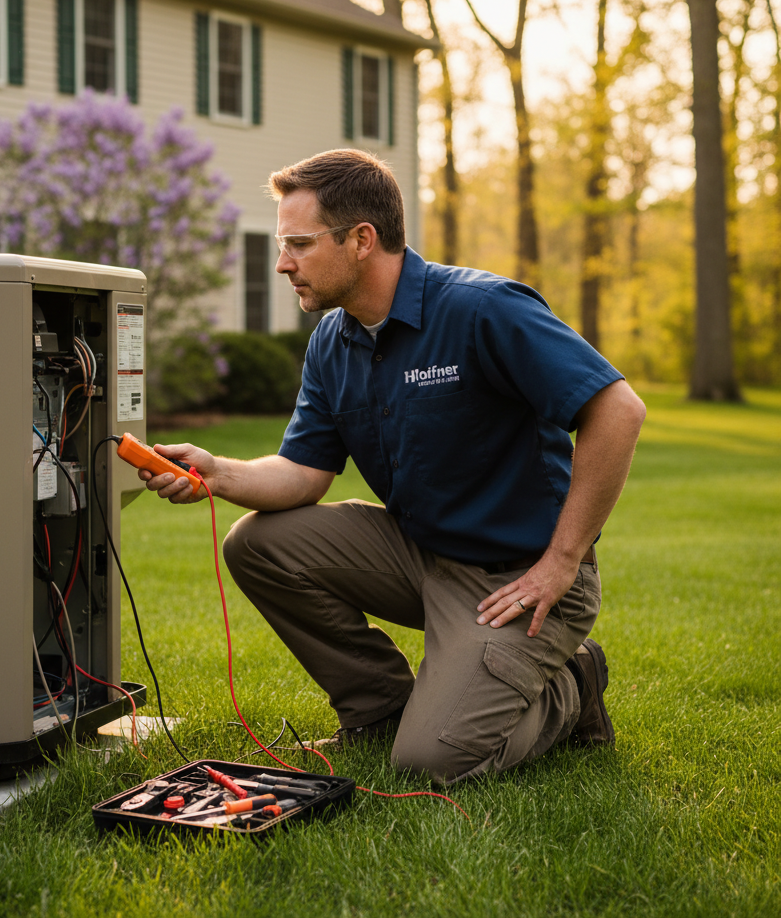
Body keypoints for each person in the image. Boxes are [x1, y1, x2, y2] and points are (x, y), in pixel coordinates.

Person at [139, 149, 646, 785]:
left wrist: (562, 562)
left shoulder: (482, 309)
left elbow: (617, 410)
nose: (282, 263)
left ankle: (571, 689)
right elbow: (303, 474)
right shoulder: (333, 339)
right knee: (260, 544)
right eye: (281, 243)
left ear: (361, 240)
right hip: (420, 554)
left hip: (517, 582)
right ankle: (378, 709)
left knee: (432, 762)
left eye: (298, 243)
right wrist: (217, 472)